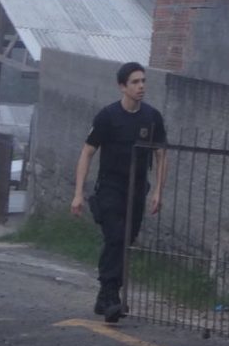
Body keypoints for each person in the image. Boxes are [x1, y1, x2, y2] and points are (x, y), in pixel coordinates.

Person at [70, 62, 167, 323]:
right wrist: (78, 193)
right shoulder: (108, 116)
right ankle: (111, 295)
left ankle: (106, 296)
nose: (141, 86)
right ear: (122, 87)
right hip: (110, 187)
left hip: (137, 189)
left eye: (143, 81)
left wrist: (158, 191)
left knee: (127, 240)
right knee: (115, 237)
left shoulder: (152, 117)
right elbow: (87, 152)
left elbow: (161, 154)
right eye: (135, 82)